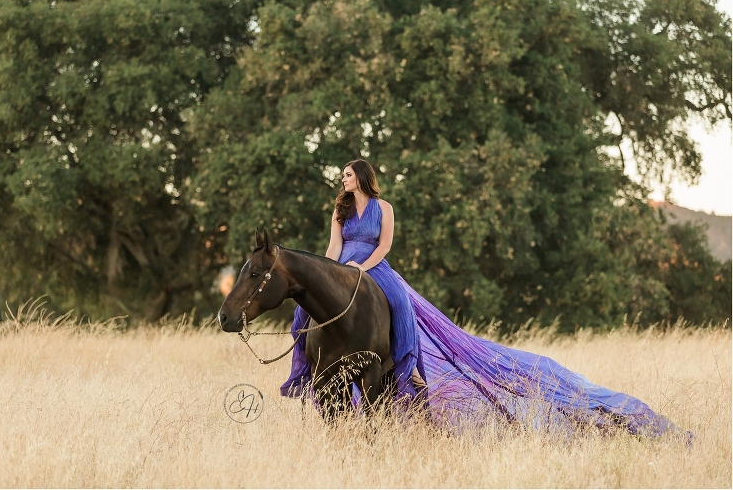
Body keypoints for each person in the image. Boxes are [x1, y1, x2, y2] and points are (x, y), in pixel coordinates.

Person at [281, 159, 685, 438]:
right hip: (343, 267)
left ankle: (407, 366)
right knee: (304, 310)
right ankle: (303, 367)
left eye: (349, 174)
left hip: (373, 268)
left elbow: (385, 246)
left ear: (363, 176)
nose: (344, 179)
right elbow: (333, 248)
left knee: (403, 306)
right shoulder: (340, 209)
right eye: (343, 176)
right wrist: (329, 274)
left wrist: (362, 271)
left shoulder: (384, 207)